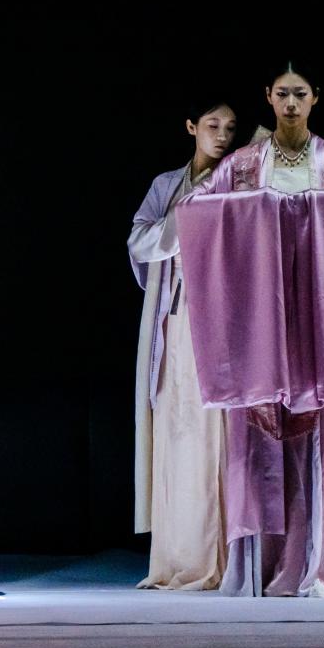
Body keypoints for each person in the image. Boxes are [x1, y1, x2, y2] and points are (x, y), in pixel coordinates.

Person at [182, 65, 324, 597]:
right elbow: (195, 210)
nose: (292, 103)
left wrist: (320, 215)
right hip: (261, 317)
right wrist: (259, 219)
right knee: (258, 434)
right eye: (283, 94)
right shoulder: (243, 164)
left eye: (301, 94)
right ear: (270, 98)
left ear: (315, 99)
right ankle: (260, 567)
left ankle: (323, 566)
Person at [128, 101, 238, 590]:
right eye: (212, 125)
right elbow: (138, 241)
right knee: (178, 432)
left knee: (219, 436)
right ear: (191, 126)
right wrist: (184, 220)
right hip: (175, 319)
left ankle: (225, 555)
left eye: (230, 128)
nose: (222, 135)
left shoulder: (240, 179)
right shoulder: (167, 185)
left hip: (225, 320)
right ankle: (179, 555)